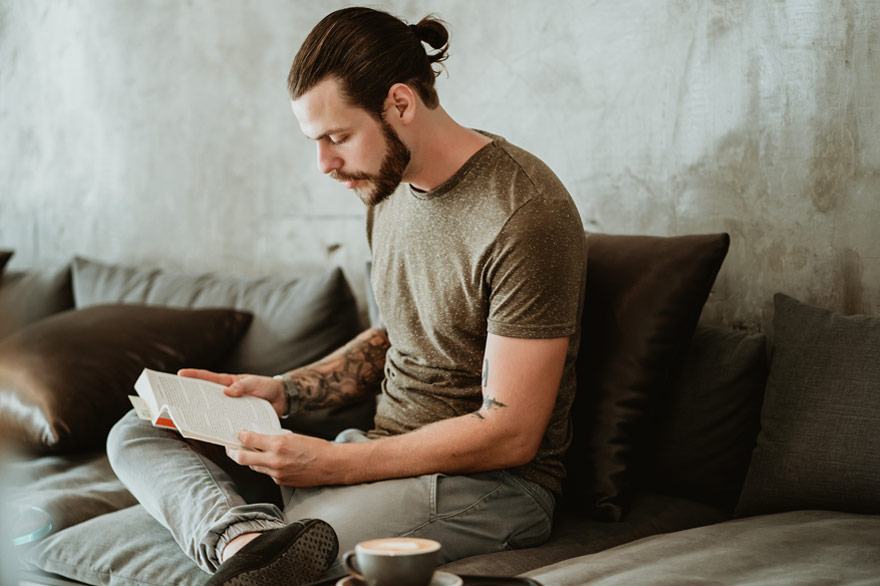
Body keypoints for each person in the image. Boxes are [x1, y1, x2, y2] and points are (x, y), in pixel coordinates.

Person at [107, 6, 587, 586]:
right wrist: (284, 392)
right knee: (136, 431)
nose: (325, 165)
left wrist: (336, 463)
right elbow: (401, 335)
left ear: (400, 104)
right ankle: (249, 544)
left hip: (492, 486)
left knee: (317, 527)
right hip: (375, 451)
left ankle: (260, 548)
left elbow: (512, 432)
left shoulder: (524, 214)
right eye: (316, 140)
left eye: (338, 137)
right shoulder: (386, 189)